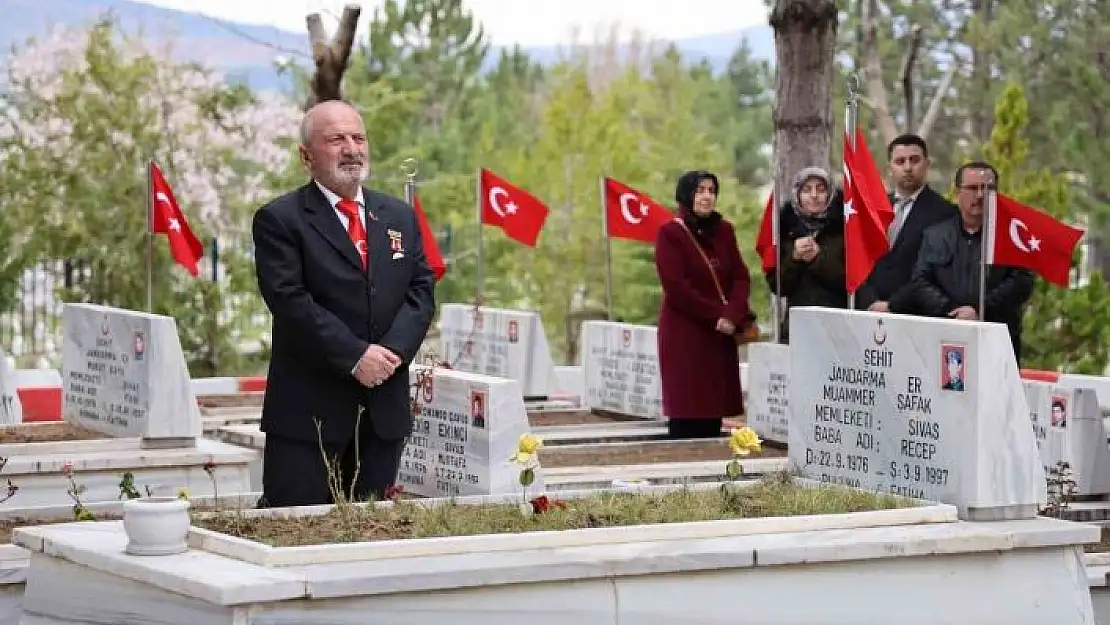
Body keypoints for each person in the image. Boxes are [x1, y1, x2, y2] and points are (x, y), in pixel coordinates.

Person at [251, 100, 437, 507]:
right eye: (336, 139)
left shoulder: (398, 217)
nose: (351, 149)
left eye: (358, 137)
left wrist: (390, 354)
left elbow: (421, 291)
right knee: (298, 535)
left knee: (372, 542)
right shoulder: (280, 220)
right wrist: (356, 356)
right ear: (307, 155)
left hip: (383, 414)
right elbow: (289, 301)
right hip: (309, 419)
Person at [654, 170, 755, 439]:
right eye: (700, 191)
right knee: (688, 408)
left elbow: (740, 276)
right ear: (687, 195)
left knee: (714, 408)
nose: (706, 197)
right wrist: (717, 316)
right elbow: (677, 288)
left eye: (711, 191)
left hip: (721, 335)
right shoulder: (670, 233)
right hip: (686, 334)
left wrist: (732, 314)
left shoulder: (724, 231)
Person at [909, 161, 1034, 364]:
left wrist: (980, 310)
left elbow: (1022, 282)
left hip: (996, 343)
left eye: (988, 189)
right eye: (973, 188)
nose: (980, 195)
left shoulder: (1013, 236)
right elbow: (921, 280)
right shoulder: (936, 235)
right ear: (958, 193)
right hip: (945, 339)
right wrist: (952, 312)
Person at [856, 134, 957, 313]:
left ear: (927, 164)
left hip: (915, 314)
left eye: (914, 160)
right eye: (900, 161)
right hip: (869, 312)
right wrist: (870, 301)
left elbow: (935, 271)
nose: (908, 167)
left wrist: (892, 305)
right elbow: (860, 260)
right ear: (890, 168)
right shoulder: (873, 210)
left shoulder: (945, 213)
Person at [766, 166, 847, 342]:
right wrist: (794, 258)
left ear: (830, 194)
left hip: (836, 328)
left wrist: (817, 259)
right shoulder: (785, 230)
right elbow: (778, 286)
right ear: (797, 194)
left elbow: (850, 282)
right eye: (807, 189)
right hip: (797, 329)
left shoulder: (844, 228)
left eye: (821, 189)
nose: (814, 195)